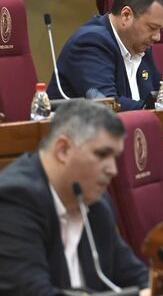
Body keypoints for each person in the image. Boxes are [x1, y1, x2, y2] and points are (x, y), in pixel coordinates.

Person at [0, 100, 147, 293]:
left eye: (115, 157)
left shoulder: (95, 201)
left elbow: (136, 276)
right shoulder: (14, 199)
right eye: (102, 154)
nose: (113, 170)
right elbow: (31, 292)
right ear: (63, 150)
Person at [48, 0, 163, 111]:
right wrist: (153, 109)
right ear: (126, 15)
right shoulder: (91, 43)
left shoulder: (141, 45)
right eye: (152, 27)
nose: (158, 37)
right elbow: (107, 106)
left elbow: (161, 94)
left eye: (161, 29)